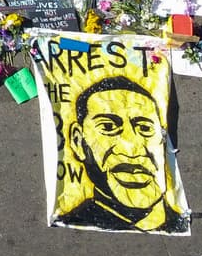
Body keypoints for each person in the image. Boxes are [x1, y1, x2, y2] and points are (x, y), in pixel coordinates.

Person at [60, 77, 187, 234]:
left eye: (145, 128)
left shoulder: (175, 219)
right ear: (78, 141)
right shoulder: (74, 219)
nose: (131, 146)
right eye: (108, 127)